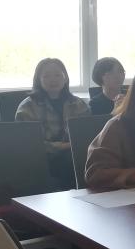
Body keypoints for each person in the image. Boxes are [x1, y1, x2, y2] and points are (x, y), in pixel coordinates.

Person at [16, 58, 90, 189]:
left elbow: (86, 136)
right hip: (43, 158)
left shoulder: (78, 104)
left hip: (74, 155)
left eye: (57, 75)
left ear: (65, 78)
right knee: (68, 162)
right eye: (46, 76)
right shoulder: (28, 107)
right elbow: (30, 144)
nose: (53, 80)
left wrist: (72, 147)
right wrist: (65, 146)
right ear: (38, 79)